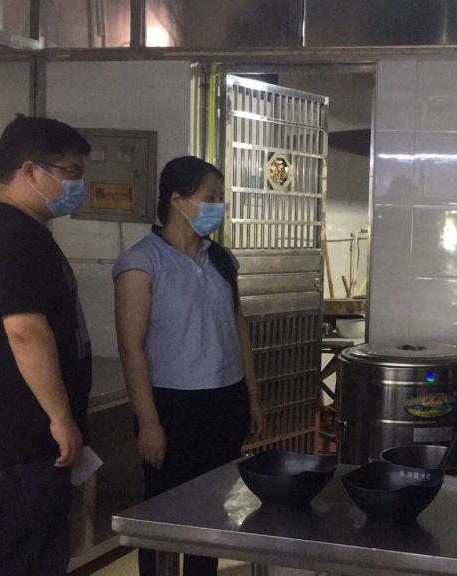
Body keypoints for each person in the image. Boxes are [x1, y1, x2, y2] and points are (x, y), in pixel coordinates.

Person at [113, 155, 263, 576]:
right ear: (177, 201)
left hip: (225, 399)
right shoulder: (141, 262)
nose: (219, 206)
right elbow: (131, 348)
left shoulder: (221, 260)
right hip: (171, 405)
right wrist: (149, 422)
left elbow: (238, 328)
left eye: (220, 198)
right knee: (163, 512)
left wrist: (252, 396)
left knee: (210, 509)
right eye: (210, 198)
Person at [0, 116, 93, 576]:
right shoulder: (4, 233)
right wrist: (60, 418)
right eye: (71, 172)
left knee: (44, 553)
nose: (78, 185)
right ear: (30, 170)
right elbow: (24, 330)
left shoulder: (30, 231)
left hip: (41, 442)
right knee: (24, 557)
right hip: (24, 441)